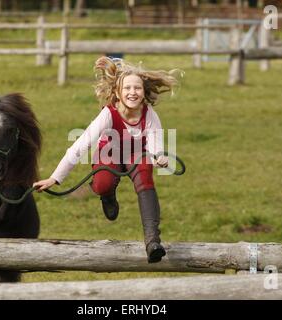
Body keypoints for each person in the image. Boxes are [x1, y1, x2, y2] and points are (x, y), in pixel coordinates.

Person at [33, 56, 181, 263]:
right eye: (127, 88)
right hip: (108, 153)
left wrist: (159, 157)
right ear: (117, 94)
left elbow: (155, 143)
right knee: (102, 183)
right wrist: (55, 178)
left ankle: (152, 241)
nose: (132, 92)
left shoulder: (150, 115)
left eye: (137, 88)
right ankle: (108, 195)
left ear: (144, 92)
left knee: (145, 175)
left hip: (136, 155)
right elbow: (80, 145)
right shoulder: (108, 114)